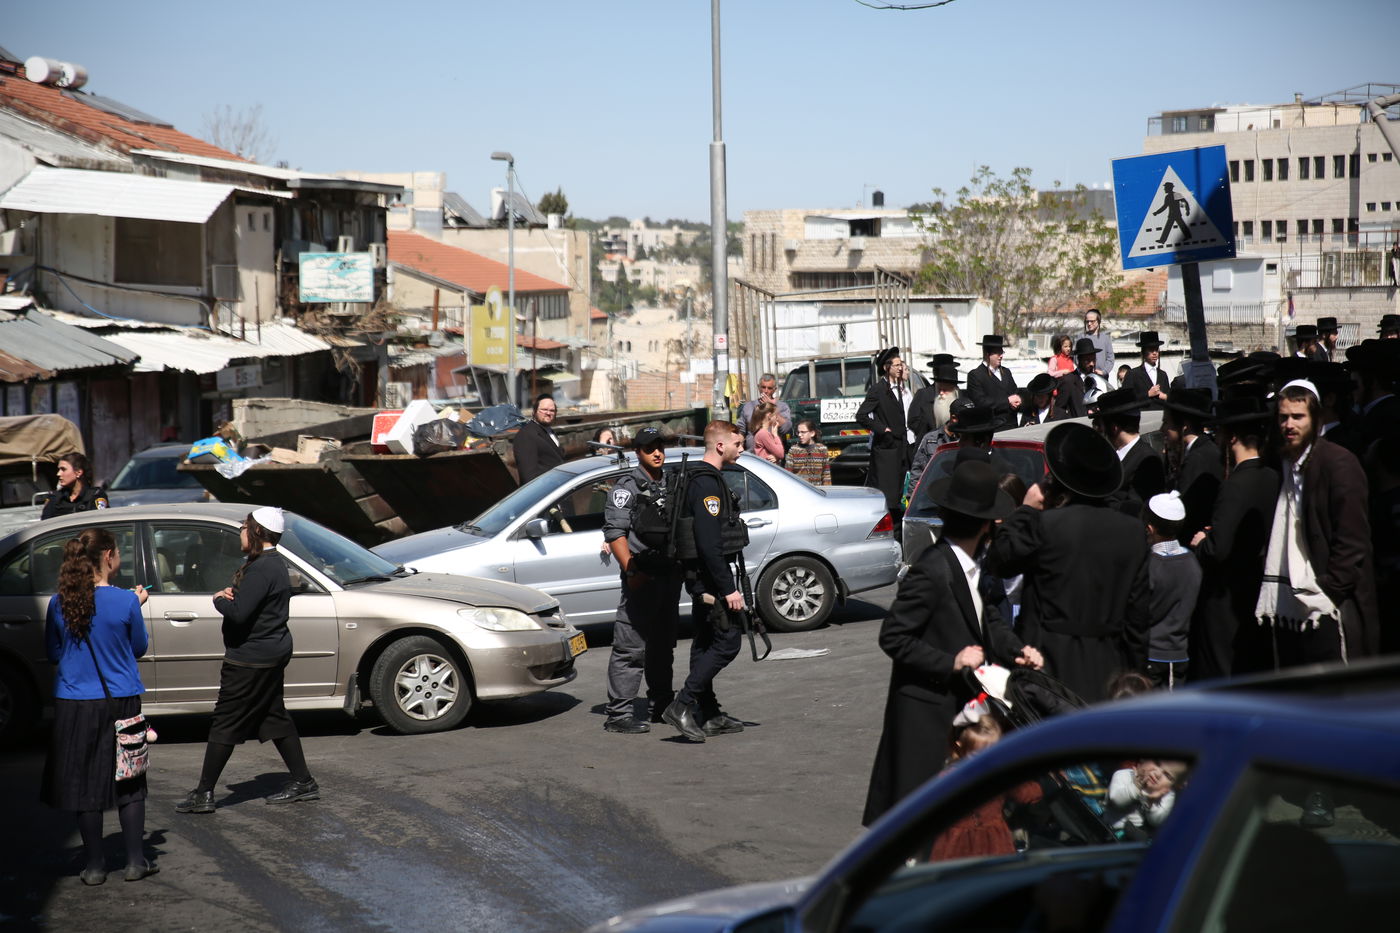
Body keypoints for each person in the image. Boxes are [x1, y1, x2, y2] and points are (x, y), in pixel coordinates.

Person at [862, 461, 1043, 825]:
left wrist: (1016, 649)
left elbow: (987, 617)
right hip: (926, 716)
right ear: (986, 523)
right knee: (920, 825)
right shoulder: (933, 568)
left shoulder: (973, 563)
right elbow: (893, 636)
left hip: (960, 710)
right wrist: (951, 661)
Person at [987, 422, 1152, 704]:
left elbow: (1000, 559)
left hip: (1049, 669)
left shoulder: (1045, 524)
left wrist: (1026, 508)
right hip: (1109, 670)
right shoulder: (1132, 532)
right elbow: (1137, 618)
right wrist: (1135, 674)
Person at [176, 507, 319, 814]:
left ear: (256, 532)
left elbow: (240, 614)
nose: (240, 531)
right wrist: (235, 597)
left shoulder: (262, 568)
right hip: (269, 653)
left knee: (225, 721)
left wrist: (218, 600)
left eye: (243, 527)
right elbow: (251, 604)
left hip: (251, 659)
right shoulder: (269, 565)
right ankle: (303, 782)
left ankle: (204, 793)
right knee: (273, 715)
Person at [41, 528, 155, 885]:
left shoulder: (59, 602)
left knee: (84, 784)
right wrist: (135, 604)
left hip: (74, 702)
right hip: (120, 699)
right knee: (130, 778)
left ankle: (94, 866)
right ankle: (136, 861)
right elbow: (138, 647)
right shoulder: (124, 601)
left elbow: (54, 652)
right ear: (108, 556)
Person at [1255, 381, 1379, 668]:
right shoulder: (1281, 463)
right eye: (1283, 417)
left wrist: (1328, 589)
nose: (1289, 425)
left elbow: (1353, 539)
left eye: (1298, 417)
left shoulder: (1338, 464)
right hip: (1290, 604)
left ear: (1315, 419)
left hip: (1329, 605)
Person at [661, 421, 749, 742]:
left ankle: (709, 714)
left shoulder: (698, 478)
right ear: (721, 446)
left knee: (705, 643)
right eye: (738, 444)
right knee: (728, 642)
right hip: (709, 579)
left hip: (699, 576)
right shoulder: (707, 485)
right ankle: (682, 704)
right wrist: (729, 589)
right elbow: (709, 543)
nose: (743, 449)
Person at [1189, 397, 1280, 680]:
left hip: (1226, 603)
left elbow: (1218, 550)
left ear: (1232, 438)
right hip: (1259, 594)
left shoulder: (1235, 485)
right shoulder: (1273, 476)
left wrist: (1201, 542)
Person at [601, 428, 683, 734]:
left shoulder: (672, 482)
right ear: (638, 452)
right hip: (642, 577)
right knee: (630, 647)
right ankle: (619, 713)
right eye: (650, 448)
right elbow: (615, 533)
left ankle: (661, 704)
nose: (657, 453)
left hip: (668, 576)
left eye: (660, 446)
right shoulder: (627, 487)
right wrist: (632, 571)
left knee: (663, 646)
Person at [928, 673, 1043, 862]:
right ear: (959, 746)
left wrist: (1042, 785)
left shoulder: (997, 774)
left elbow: (1024, 792)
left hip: (992, 843)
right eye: (976, 753)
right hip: (957, 846)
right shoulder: (950, 777)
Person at [1143, 492, 1200, 689]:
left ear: (1150, 528)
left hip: (1153, 653)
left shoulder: (1150, 565)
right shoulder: (1192, 562)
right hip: (1179, 654)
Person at [856, 347, 913, 517]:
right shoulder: (878, 390)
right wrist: (883, 429)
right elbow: (861, 415)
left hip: (902, 447)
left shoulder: (901, 388)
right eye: (896, 365)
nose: (900, 368)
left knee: (901, 492)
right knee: (889, 496)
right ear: (886, 368)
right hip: (887, 450)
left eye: (900, 364)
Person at [1090, 389, 1166, 513]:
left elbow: (1137, 508)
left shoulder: (1147, 461)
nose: (1101, 431)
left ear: (1114, 428)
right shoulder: (1111, 456)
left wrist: (1098, 497)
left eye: (1102, 425)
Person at [1161, 389, 1222, 544]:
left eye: (1166, 422)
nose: (1162, 429)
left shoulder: (1198, 458)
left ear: (1184, 426)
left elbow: (1185, 510)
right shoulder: (1201, 451)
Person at [1105, 759, 1185, 840]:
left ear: (1174, 785)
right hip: (1110, 827)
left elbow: (1156, 822)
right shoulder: (1124, 775)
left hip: (1138, 830)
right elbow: (1116, 800)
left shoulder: (1167, 794)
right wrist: (1136, 786)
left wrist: (1150, 803)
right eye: (1157, 763)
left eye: (1167, 775)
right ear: (1142, 761)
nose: (1158, 774)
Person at [965, 335, 1022, 432]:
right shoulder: (976, 375)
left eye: (1002, 352)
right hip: (991, 429)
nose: (1001, 356)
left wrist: (1018, 400)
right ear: (987, 354)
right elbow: (980, 403)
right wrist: (1007, 401)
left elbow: (1015, 392)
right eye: (997, 352)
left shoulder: (1006, 372)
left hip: (1011, 427)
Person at [512, 394, 565, 483]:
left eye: (552, 410)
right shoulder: (526, 435)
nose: (548, 413)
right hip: (545, 492)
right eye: (544, 409)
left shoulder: (549, 431)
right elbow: (529, 476)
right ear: (535, 411)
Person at [41, 452, 109, 519]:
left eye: (63, 469)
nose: (58, 474)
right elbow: (45, 525)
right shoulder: (54, 497)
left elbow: (100, 524)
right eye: (59, 469)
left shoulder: (95, 496)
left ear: (78, 472)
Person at [1054, 338, 1110, 419]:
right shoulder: (1068, 381)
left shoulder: (1100, 380)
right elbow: (1059, 409)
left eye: (1093, 360)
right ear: (1079, 360)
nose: (1092, 364)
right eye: (1087, 360)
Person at [738, 373, 793, 451]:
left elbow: (786, 428)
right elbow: (741, 430)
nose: (766, 391)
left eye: (769, 388)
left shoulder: (782, 406)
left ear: (775, 389)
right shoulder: (748, 406)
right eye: (763, 387)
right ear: (758, 387)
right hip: (752, 454)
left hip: (773, 456)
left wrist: (772, 407)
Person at [909, 361, 961, 439]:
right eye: (939, 389)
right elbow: (913, 422)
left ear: (954, 389)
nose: (941, 393)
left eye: (945, 389)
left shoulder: (964, 403)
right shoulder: (925, 403)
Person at [1121, 332, 1171, 407]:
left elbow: (1169, 398)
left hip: (1160, 414)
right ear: (1144, 352)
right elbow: (1125, 398)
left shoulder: (1163, 375)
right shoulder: (1133, 374)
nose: (1154, 353)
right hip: (1141, 415)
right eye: (1151, 349)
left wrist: (1164, 396)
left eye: (1156, 349)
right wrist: (1148, 394)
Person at [784, 419, 831, 486]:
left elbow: (826, 474)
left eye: (803, 432)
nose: (800, 435)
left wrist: (827, 490)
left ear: (812, 433)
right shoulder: (794, 450)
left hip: (817, 490)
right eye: (798, 432)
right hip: (799, 489)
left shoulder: (822, 449)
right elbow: (788, 473)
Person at [1078, 308, 1114, 378]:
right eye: (1087, 321)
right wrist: (1084, 371)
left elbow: (1110, 358)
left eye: (1092, 321)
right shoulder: (1081, 337)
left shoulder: (1105, 338)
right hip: (1085, 376)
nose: (1089, 324)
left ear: (1099, 321)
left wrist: (1104, 371)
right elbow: (1077, 358)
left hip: (1102, 376)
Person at [748, 400, 785, 464]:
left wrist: (776, 457)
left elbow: (776, 453)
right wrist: (776, 436)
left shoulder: (763, 432)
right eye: (776, 415)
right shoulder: (763, 433)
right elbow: (781, 453)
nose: (777, 418)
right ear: (769, 416)